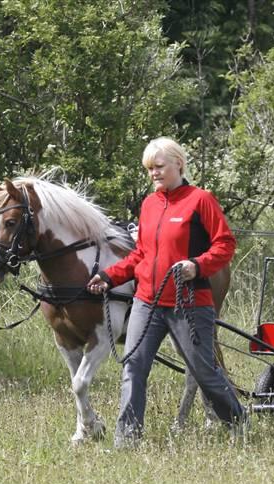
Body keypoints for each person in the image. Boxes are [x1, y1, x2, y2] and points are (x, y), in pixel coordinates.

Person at [86, 137, 246, 447]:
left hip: (189, 304)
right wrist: (109, 276)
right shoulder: (149, 204)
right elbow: (140, 255)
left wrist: (197, 267)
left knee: (204, 372)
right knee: (133, 366)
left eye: (159, 166)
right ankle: (127, 440)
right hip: (147, 301)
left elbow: (225, 245)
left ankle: (239, 421)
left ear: (179, 165)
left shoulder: (201, 200)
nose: (154, 174)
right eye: (149, 169)